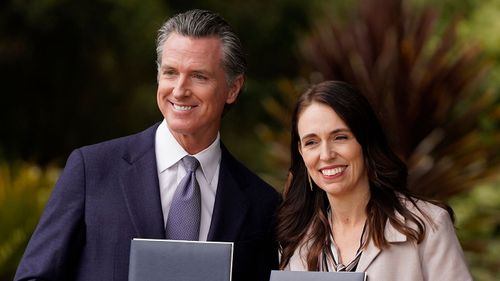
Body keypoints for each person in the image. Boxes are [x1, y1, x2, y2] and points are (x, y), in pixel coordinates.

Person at [14, 9, 280, 281]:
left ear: (233, 88)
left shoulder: (262, 203)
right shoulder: (91, 170)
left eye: (199, 76)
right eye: (170, 72)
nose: (179, 90)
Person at [276, 80, 472, 280]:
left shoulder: (428, 225)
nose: (325, 154)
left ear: (365, 140)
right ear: (301, 152)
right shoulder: (295, 241)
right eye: (311, 142)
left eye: (340, 137)